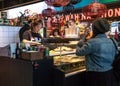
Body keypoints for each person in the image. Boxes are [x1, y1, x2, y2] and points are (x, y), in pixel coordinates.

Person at [76, 18, 118, 86]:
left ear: (94, 29)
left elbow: (78, 52)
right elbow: (116, 53)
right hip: (109, 73)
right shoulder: (112, 41)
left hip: (95, 75)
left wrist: (79, 43)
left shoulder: (92, 42)